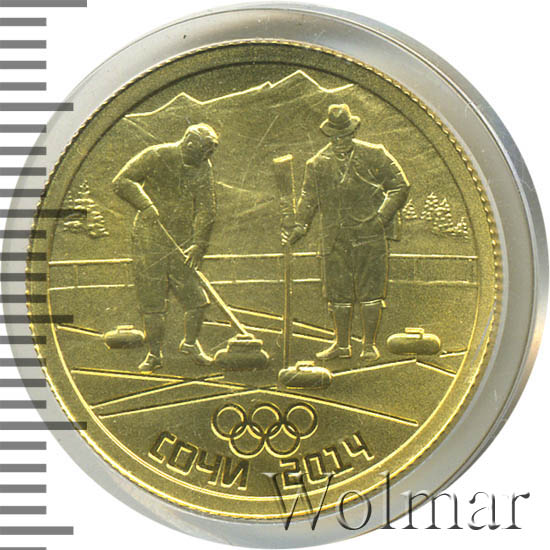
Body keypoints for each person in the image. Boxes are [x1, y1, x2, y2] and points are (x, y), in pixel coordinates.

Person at [283, 104, 410, 365]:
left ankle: (369, 346)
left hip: (370, 235)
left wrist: (381, 218)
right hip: (334, 238)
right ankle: (341, 345)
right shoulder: (317, 164)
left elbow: (400, 186)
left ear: (353, 132)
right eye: (335, 136)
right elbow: (309, 198)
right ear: (330, 135)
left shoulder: (375, 154)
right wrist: (299, 227)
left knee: (371, 292)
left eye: (345, 134)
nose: (340, 140)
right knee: (337, 294)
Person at [113, 123, 219, 372]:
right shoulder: (156, 154)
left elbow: (206, 207)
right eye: (204, 152)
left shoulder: (203, 167)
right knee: (152, 300)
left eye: (209, 153)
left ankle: (190, 344)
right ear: (189, 144)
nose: (206, 158)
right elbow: (121, 181)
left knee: (197, 299)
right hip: (149, 238)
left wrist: (199, 244)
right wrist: (145, 205)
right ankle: (154, 355)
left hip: (182, 240)